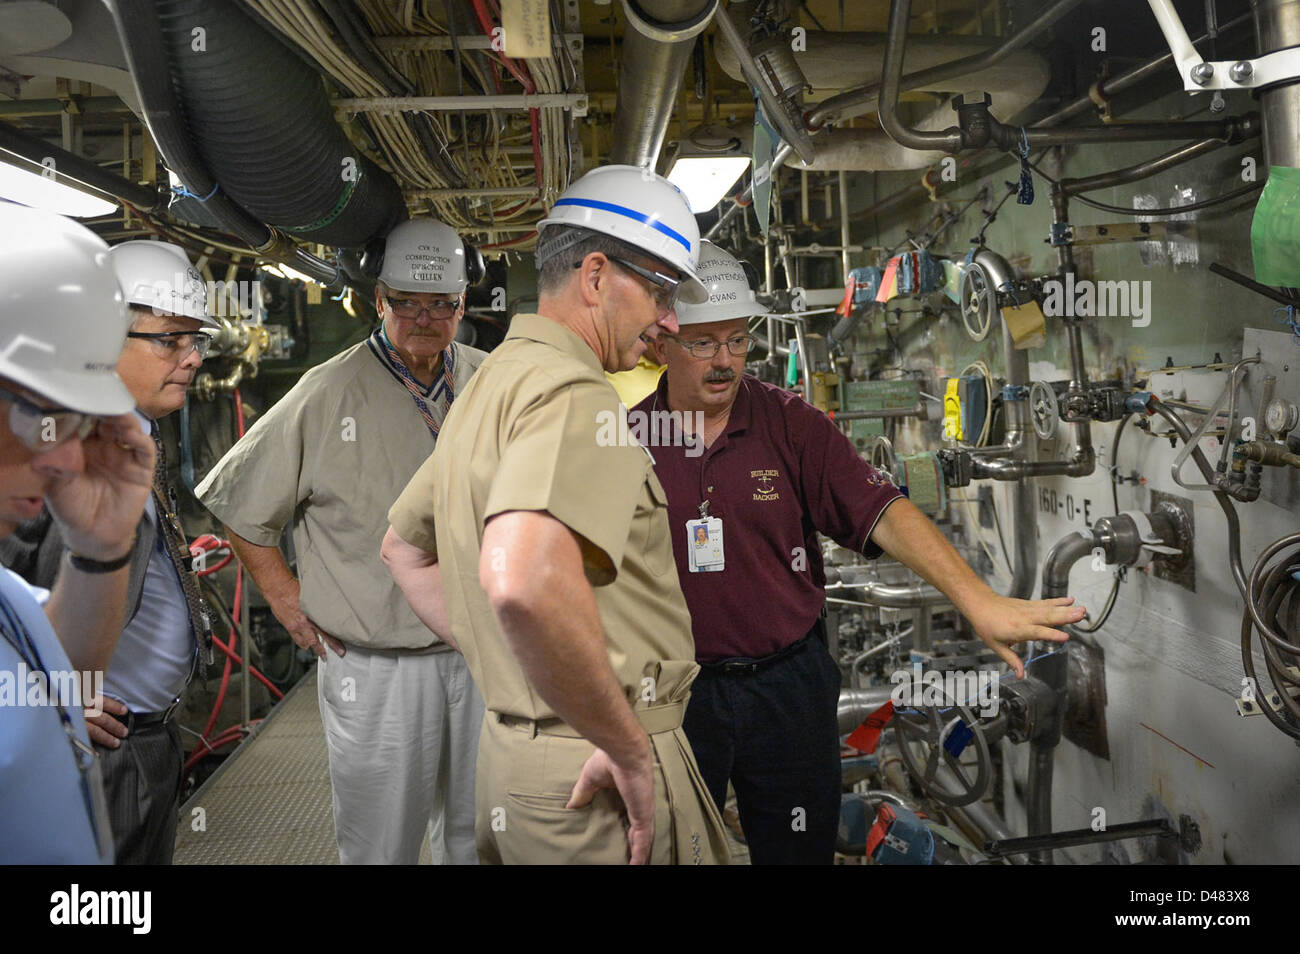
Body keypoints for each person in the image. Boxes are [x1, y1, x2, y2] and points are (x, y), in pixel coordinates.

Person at [633, 240, 1086, 864]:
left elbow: (886, 512)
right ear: (660, 343)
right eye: (703, 343)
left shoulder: (790, 424)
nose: (725, 361)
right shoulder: (630, 440)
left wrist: (977, 599)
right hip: (678, 694)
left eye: (738, 340)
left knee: (797, 850)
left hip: (786, 687)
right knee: (671, 852)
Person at [382, 165, 732, 865]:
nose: (669, 320)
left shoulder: (493, 385)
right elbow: (522, 580)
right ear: (596, 277)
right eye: (661, 291)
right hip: (592, 769)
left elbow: (402, 549)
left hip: (522, 758)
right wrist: (624, 744)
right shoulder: (574, 394)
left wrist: (518, 666)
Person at [195, 218, 487, 864]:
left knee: (482, 837)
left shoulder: (492, 383)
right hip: (379, 665)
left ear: (463, 304)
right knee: (381, 844)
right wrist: (288, 601)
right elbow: (243, 508)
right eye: (407, 302)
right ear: (378, 298)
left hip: (481, 653)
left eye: (441, 304)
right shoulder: (326, 392)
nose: (424, 317)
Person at [3, 240, 219, 864]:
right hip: (95, 749)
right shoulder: (52, 452)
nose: (193, 358)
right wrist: (42, 695)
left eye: (194, 339)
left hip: (148, 741)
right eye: (170, 340)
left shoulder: (130, 438)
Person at [0, 203, 156, 862]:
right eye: (36, 413)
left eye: (71, 422)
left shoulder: (7, 595)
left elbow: (62, 679)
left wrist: (98, 552)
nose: (64, 459)